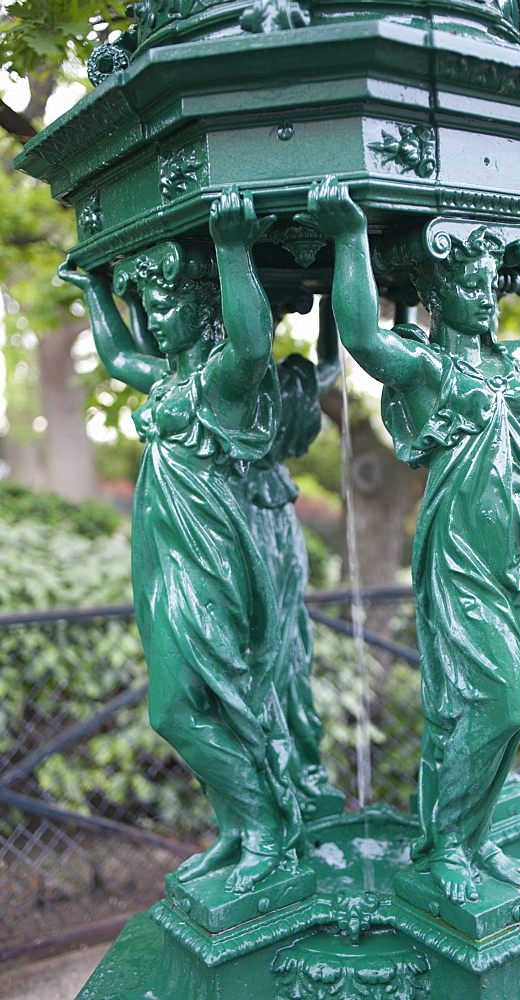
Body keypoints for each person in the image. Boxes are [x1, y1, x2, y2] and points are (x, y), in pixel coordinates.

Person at [302, 176, 520, 904]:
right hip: (462, 557)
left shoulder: (509, 366)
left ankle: (472, 841)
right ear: (440, 294)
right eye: (471, 285)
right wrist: (350, 237)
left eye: (490, 285)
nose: (486, 296)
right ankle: (443, 844)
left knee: (519, 695)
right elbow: (364, 338)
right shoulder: (429, 367)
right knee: (488, 700)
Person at [59, 188, 303, 893]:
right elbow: (116, 354)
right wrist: (92, 293)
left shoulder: (220, 384)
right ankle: (239, 827)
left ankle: (264, 828)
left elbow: (255, 344)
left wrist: (230, 250)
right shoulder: (166, 383)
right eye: (154, 305)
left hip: (211, 559)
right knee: (183, 704)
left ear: (206, 309)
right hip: (163, 558)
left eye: (172, 304)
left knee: (186, 704)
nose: (159, 318)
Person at [229, 296, 345, 819]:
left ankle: (288, 764)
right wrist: (330, 297)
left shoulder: (245, 389)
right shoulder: (288, 388)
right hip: (266, 516)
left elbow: (329, 366)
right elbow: (331, 364)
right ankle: (286, 765)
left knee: (280, 642)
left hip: (260, 513)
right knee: (275, 643)